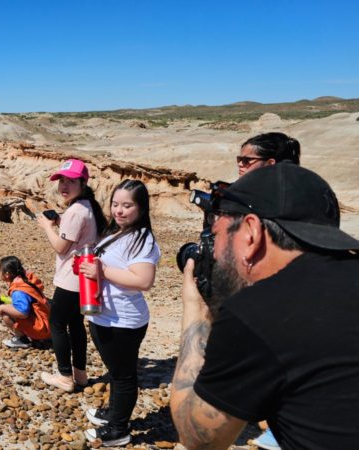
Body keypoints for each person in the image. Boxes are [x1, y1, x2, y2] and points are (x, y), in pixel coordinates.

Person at [170, 163, 359, 449]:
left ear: (251, 231)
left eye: (217, 235)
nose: (216, 253)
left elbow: (198, 437)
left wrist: (195, 308)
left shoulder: (258, 313)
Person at [79, 180, 160, 447]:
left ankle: (118, 430)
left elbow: (143, 281)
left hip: (124, 320)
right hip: (104, 314)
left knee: (124, 376)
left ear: (141, 207)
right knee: (116, 372)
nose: (119, 211)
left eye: (127, 205)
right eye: (115, 204)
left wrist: (102, 272)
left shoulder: (142, 239)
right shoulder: (117, 232)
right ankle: (114, 414)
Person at [237, 131, 301, 450]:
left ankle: (282, 427)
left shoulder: (285, 201)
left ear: (270, 163)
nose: (240, 166)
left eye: (246, 160)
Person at [37, 159, 106, 392]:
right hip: (83, 279)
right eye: (62, 181)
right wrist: (59, 220)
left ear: (83, 182)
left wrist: (47, 226)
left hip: (71, 278)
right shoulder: (88, 206)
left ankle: (65, 376)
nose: (64, 186)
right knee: (76, 324)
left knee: (56, 324)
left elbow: (61, 247)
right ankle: (81, 374)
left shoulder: (77, 210)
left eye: (71, 181)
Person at [0, 256, 51, 349]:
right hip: (48, 323)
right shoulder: (26, 281)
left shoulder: (18, 291)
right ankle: (37, 337)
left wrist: (3, 307)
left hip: (42, 329)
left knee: (5, 314)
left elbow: (23, 313)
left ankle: (21, 339)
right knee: (11, 307)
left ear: (7, 274)